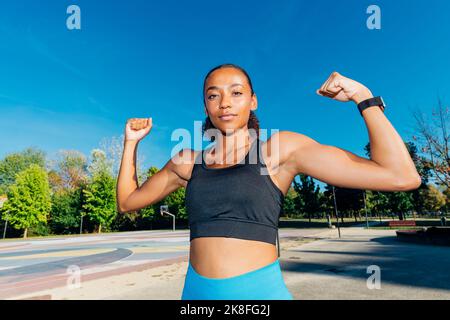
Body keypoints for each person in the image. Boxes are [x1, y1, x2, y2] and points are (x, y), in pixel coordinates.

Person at [116, 64, 421, 300]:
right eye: (213, 94)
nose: (224, 102)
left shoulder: (278, 150)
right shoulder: (186, 162)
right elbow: (127, 202)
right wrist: (130, 143)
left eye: (236, 93)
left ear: (253, 101)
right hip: (197, 297)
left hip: (260, 294)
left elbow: (401, 176)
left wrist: (362, 96)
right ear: (205, 106)